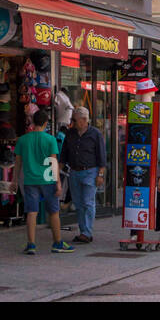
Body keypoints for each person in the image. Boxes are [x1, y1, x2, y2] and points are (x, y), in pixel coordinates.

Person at [14, 109, 74, 255]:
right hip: (48, 180)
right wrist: (58, 183)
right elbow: (53, 162)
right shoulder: (50, 140)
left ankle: (31, 244)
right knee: (53, 212)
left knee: (31, 212)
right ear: (46, 123)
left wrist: (14, 181)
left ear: (33, 122)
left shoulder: (23, 140)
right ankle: (57, 243)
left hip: (29, 180)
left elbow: (17, 164)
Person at [59, 105, 106, 244]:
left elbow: (101, 155)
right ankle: (83, 231)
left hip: (90, 171)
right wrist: (58, 173)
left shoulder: (95, 134)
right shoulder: (70, 133)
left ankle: (87, 232)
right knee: (78, 203)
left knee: (88, 202)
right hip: (74, 171)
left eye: (75, 120)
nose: (72, 122)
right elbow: (64, 154)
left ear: (84, 120)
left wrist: (100, 174)